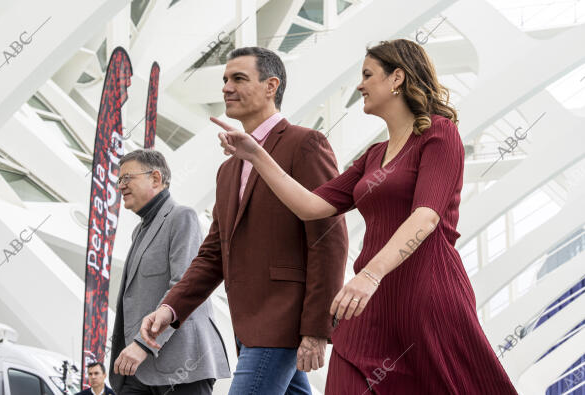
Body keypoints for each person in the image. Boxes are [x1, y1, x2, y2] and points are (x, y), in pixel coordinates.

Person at [213, 39, 518, 394]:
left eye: (368, 74)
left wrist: (370, 275)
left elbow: (426, 217)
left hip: (425, 293)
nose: (359, 85)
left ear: (397, 78)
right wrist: (257, 156)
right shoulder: (373, 156)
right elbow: (310, 206)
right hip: (366, 305)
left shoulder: (439, 133)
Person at [139, 47, 348, 394]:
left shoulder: (305, 144)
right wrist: (170, 308)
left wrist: (316, 327)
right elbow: (213, 255)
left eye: (238, 78)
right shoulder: (228, 169)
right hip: (249, 326)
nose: (226, 87)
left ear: (271, 86)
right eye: (224, 79)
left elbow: (329, 238)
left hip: (283, 322)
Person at [109, 149, 230, 395]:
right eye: (119, 180)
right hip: (139, 370)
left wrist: (143, 345)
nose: (120, 186)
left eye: (126, 178)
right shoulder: (140, 231)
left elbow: (183, 286)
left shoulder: (181, 217)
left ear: (155, 178)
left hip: (180, 368)